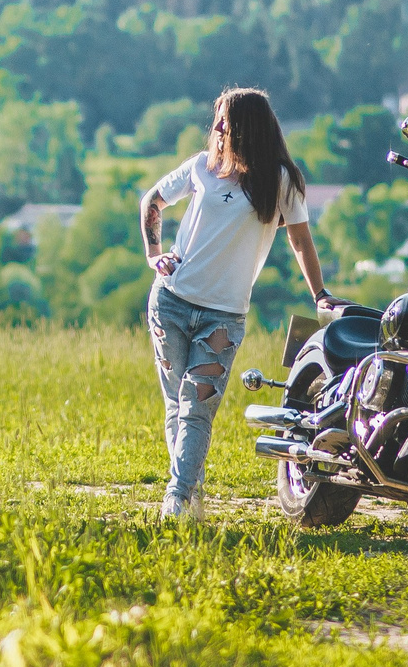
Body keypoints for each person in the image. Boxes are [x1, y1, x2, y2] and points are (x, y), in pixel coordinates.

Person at [138, 87, 333, 519]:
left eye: (227, 119)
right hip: (168, 302)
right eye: (218, 119)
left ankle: (177, 496)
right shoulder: (202, 167)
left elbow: (300, 240)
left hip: (222, 316)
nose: (218, 127)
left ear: (250, 127)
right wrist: (155, 255)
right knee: (178, 405)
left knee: (196, 408)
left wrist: (319, 294)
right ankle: (190, 491)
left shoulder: (281, 181)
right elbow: (152, 200)